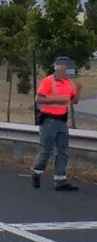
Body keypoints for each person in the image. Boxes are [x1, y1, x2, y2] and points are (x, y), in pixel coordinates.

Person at [30, 57, 81, 191]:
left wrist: (78, 90)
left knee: (63, 151)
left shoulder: (69, 82)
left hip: (62, 121)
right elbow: (38, 98)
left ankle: (60, 181)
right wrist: (57, 100)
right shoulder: (48, 81)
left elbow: (74, 101)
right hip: (48, 121)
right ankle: (36, 172)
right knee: (46, 151)